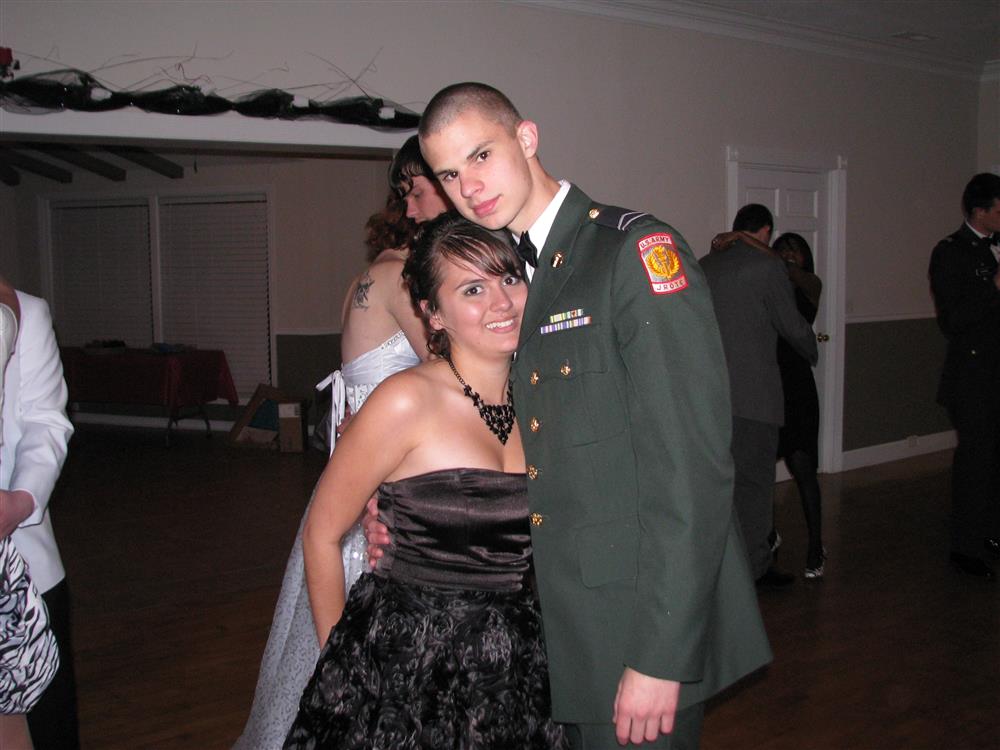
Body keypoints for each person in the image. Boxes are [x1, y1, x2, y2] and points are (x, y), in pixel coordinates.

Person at [371, 82, 771, 748]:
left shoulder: (631, 254)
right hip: (553, 627)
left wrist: (662, 655)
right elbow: (511, 424)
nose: (469, 186)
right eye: (449, 174)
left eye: (481, 156)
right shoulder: (508, 271)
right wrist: (400, 502)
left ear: (526, 138)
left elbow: (693, 470)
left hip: (633, 624)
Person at [284, 213, 566, 749]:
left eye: (509, 278)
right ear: (432, 313)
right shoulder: (405, 400)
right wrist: (339, 671)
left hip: (511, 664)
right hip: (406, 665)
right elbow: (321, 534)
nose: (502, 302)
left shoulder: (542, 403)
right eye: (473, 289)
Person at [233, 136, 451, 749]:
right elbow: (458, 379)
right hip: (384, 494)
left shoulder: (380, 271)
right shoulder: (403, 278)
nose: (411, 206)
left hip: (364, 477)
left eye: (417, 191)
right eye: (407, 193)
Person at [0, 277, 78, 750]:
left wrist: (22, 500)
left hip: (24, 565)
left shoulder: (25, 311)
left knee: (46, 722)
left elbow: (46, 420)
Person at [928, 171, 1000, 580]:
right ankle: (965, 548)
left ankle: (991, 533)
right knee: (975, 462)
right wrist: (994, 286)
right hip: (972, 377)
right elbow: (953, 320)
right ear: (979, 211)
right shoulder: (950, 253)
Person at [772, 232, 826, 579]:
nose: (789, 256)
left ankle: (816, 545)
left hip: (798, 386)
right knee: (761, 469)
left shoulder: (810, 283)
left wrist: (778, 262)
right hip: (769, 384)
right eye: (783, 250)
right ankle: (767, 537)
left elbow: (796, 276)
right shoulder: (768, 285)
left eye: (795, 252)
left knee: (805, 469)